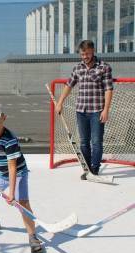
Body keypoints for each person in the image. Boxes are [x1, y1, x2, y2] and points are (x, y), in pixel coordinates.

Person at [0, 102, 44, 253]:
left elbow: (12, 167)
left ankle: (33, 237)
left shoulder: (10, 139)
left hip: (18, 173)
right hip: (0, 174)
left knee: (23, 204)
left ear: (4, 118)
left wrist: (12, 193)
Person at [55, 40, 113, 180]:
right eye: (82, 54)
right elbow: (69, 85)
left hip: (97, 110)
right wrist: (60, 102)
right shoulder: (77, 68)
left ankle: (95, 169)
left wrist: (106, 110)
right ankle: (87, 169)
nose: (85, 57)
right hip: (81, 110)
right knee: (83, 142)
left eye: (87, 53)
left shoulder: (104, 67)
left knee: (96, 142)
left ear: (93, 51)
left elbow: (108, 89)